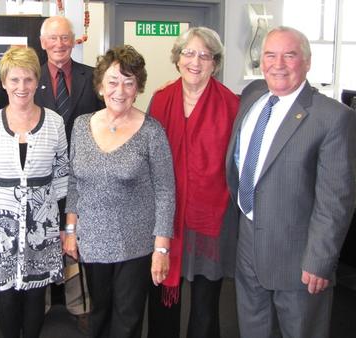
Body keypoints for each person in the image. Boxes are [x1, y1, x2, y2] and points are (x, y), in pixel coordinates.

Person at [225, 26, 356, 338]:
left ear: (307, 62)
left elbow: (336, 199)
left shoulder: (333, 117)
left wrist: (320, 260)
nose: (278, 63)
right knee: (252, 329)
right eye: (270, 55)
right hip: (248, 244)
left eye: (289, 55)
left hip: (298, 258)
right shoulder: (252, 97)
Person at [64, 45, 175, 338]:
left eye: (129, 82)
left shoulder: (152, 131)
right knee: (98, 313)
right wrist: (71, 230)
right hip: (93, 242)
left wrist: (161, 249)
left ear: (138, 88)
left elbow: (166, 192)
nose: (120, 90)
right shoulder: (81, 126)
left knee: (127, 319)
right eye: (113, 81)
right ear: (101, 86)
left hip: (135, 245)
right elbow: (74, 181)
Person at [0, 46, 68, 338]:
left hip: (42, 228)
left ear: (37, 81)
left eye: (28, 79)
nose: (21, 87)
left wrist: (64, 228)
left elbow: (62, 180)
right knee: (7, 294)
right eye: (14, 80)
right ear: (3, 82)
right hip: (0, 230)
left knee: (37, 295)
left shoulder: (55, 123)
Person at [147, 27, 239, 338]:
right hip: (166, 217)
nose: (195, 62)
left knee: (205, 303)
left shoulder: (232, 105)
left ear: (215, 62)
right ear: (177, 59)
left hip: (210, 219)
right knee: (162, 297)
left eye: (204, 55)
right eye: (188, 53)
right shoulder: (160, 99)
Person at [35, 15, 104, 329]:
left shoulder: (91, 77)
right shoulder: (30, 77)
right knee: (43, 238)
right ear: (43, 42)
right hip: (42, 177)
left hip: (83, 177)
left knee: (78, 241)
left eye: (65, 37)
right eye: (53, 38)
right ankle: (42, 304)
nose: (59, 44)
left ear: (74, 40)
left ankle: (80, 307)